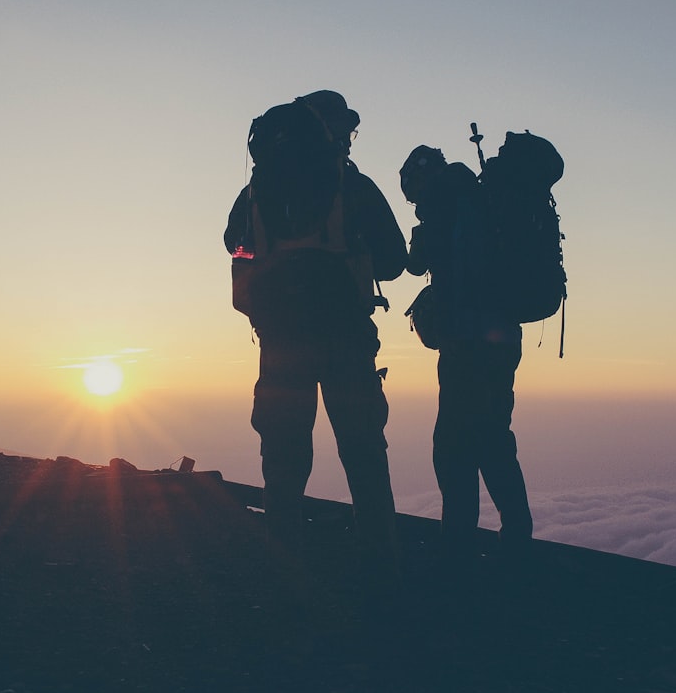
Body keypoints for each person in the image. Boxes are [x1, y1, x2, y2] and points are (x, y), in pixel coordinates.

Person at [225, 91, 408, 586]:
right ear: (334, 131)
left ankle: (283, 572)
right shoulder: (354, 186)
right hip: (347, 340)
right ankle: (381, 568)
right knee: (364, 454)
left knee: (283, 463)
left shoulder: (257, 192)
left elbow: (233, 245)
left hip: (280, 345)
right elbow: (394, 260)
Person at [400, 145, 534, 563]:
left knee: (454, 446)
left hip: (466, 344)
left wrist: (421, 230)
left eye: (412, 192)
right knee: (494, 436)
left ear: (422, 179)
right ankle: (517, 540)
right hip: (503, 340)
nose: (414, 202)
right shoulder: (480, 197)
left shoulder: (443, 203)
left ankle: (457, 547)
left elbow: (414, 263)